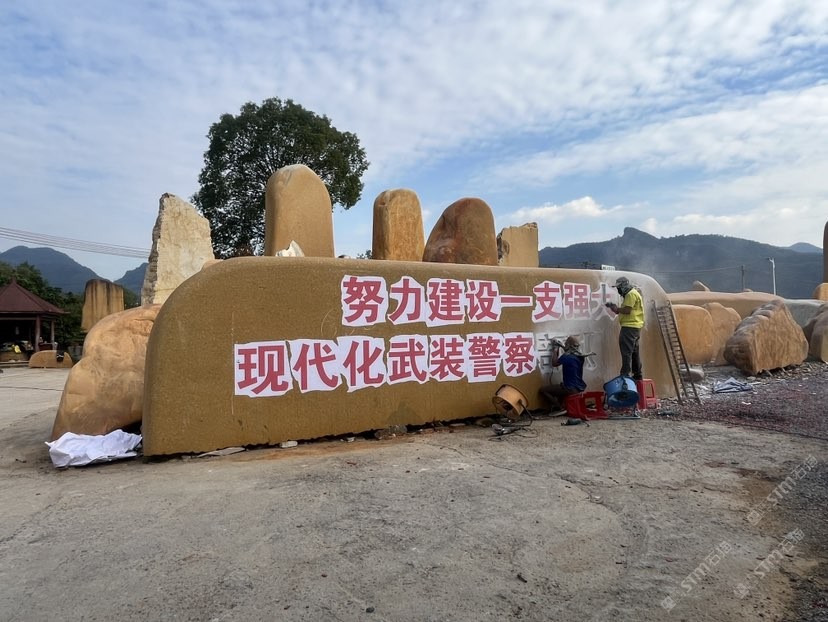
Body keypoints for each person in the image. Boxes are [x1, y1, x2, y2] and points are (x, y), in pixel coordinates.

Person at [606, 276, 645, 380]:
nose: (618, 290)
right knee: (634, 352)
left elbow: (627, 310)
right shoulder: (632, 293)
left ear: (624, 285)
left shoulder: (630, 294)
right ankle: (637, 374)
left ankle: (625, 374)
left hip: (629, 327)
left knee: (626, 351)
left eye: (619, 287)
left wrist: (617, 308)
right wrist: (615, 309)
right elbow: (625, 310)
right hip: (634, 327)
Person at [540, 336, 588, 415]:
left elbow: (554, 363)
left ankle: (559, 407)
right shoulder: (580, 357)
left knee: (543, 390)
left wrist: (555, 349)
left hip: (569, 388)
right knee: (561, 388)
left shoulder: (566, 356)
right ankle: (562, 406)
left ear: (568, 345)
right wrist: (562, 346)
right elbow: (570, 353)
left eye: (566, 344)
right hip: (578, 388)